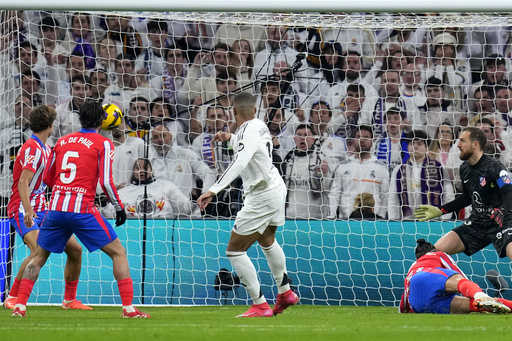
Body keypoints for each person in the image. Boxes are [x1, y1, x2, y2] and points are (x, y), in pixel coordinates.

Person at [12, 100, 150, 318]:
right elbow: (105, 181)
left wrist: (63, 192)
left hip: (55, 208)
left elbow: (49, 176)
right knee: (119, 253)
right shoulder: (104, 143)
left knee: (38, 256)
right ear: (102, 121)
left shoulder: (62, 141)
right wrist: (119, 207)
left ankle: (19, 306)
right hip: (82, 208)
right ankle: (129, 309)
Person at [196, 92, 299, 318]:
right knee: (267, 240)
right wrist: (228, 137)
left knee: (234, 251)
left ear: (233, 112)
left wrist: (213, 190)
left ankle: (260, 305)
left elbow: (240, 161)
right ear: (254, 111)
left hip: (261, 195)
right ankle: (285, 292)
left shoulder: (246, 131)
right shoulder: (260, 125)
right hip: (276, 187)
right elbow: (249, 144)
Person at [4, 105, 90, 311]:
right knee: (37, 250)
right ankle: (13, 297)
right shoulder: (32, 148)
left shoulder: (46, 149)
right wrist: (27, 210)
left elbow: (49, 181)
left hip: (44, 209)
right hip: (23, 207)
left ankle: (69, 301)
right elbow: (24, 182)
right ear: (51, 126)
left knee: (76, 250)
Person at [415, 127, 512, 276]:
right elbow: (467, 197)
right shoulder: (464, 168)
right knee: (430, 255)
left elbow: (509, 192)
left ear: (475, 145)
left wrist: (502, 210)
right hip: (477, 223)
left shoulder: (495, 167)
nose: (458, 145)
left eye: (462, 141)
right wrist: (441, 210)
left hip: (502, 221)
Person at [400, 239, 511, 314]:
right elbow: (457, 274)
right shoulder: (438, 254)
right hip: (427, 279)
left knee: (473, 305)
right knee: (463, 285)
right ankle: (481, 296)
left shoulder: (412, 268)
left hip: (418, 304)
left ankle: (482, 302)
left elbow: (405, 298)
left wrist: (403, 310)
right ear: (433, 250)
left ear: (417, 257)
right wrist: (473, 291)